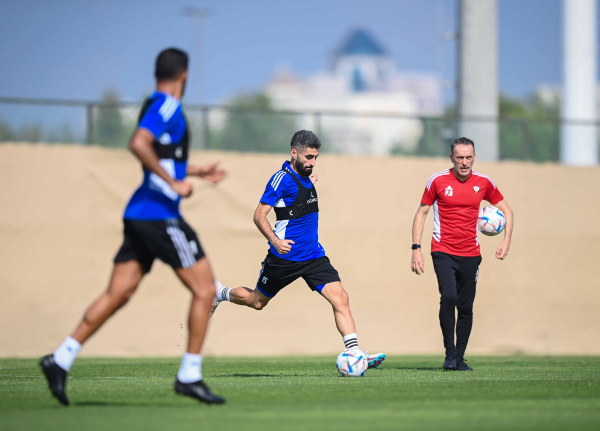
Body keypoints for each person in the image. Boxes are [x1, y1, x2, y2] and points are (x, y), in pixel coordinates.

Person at [40, 48, 227, 405]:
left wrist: (196, 171)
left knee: (118, 294)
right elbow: (138, 144)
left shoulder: (152, 104)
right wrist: (173, 185)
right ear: (183, 76)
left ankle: (60, 359)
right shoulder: (168, 106)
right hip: (159, 215)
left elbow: (159, 156)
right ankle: (190, 375)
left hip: (139, 215)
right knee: (206, 290)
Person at [210, 130, 385, 368]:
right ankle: (220, 293)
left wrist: (307, 187)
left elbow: (299, 203)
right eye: (308, 157)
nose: (312, 162)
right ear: (294, 153)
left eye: (316, 157)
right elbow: (258, 215)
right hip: (285, 258)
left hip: (314, 255)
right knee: (256, 301)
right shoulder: (280, 179)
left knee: (341, 298)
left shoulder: (306, 177)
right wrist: (275, 241)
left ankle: (354, 353)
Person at [410, 137, 513, 371]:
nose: (464, 162)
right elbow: (421, 213)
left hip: (471, 254)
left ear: (474, 157)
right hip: (443, 250)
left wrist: (506, 240)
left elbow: (507, 211)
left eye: (468, 157)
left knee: (465, 306)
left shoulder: (484, 183)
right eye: (460, 158)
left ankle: (460, 358)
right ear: (451, 158)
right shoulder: (437, 181)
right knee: (448, 297)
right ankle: (450, 354)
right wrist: (416, 248)